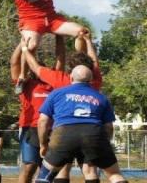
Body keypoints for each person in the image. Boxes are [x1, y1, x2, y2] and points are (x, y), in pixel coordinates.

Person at [24, 32, 101, 183]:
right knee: (90, 170)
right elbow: (94, 61)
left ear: (71, 70)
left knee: (63, 169)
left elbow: (35, 67)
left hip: (66, 131)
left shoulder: (62, 80)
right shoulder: (95, 80)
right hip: (91, 131)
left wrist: (25, 50)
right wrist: (88, 41)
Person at [36, 65, 128, 183]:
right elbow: (108, 127)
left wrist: (43, 144)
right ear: (91, 80)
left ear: (71, 78)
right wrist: (103, 144)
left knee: (45, 177)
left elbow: (43, 121)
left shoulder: (56, 93)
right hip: (93, 135)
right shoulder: (101, 97)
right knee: (114, 174)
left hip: (64, 135)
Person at [9, 0, 88, 92]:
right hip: (31, 21)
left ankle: (81, 65)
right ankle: (22, 77)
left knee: (82, 32)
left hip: (51, 19)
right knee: (30, 45)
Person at [9, 42, 56, 183]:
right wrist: (21, 44)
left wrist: (59, 38)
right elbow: (14, 63)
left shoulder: (52, 84)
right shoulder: (24, 85)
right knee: (29, 165)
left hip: (52, 130)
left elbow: (61, 61)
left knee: (50, 168)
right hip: (30, 128)